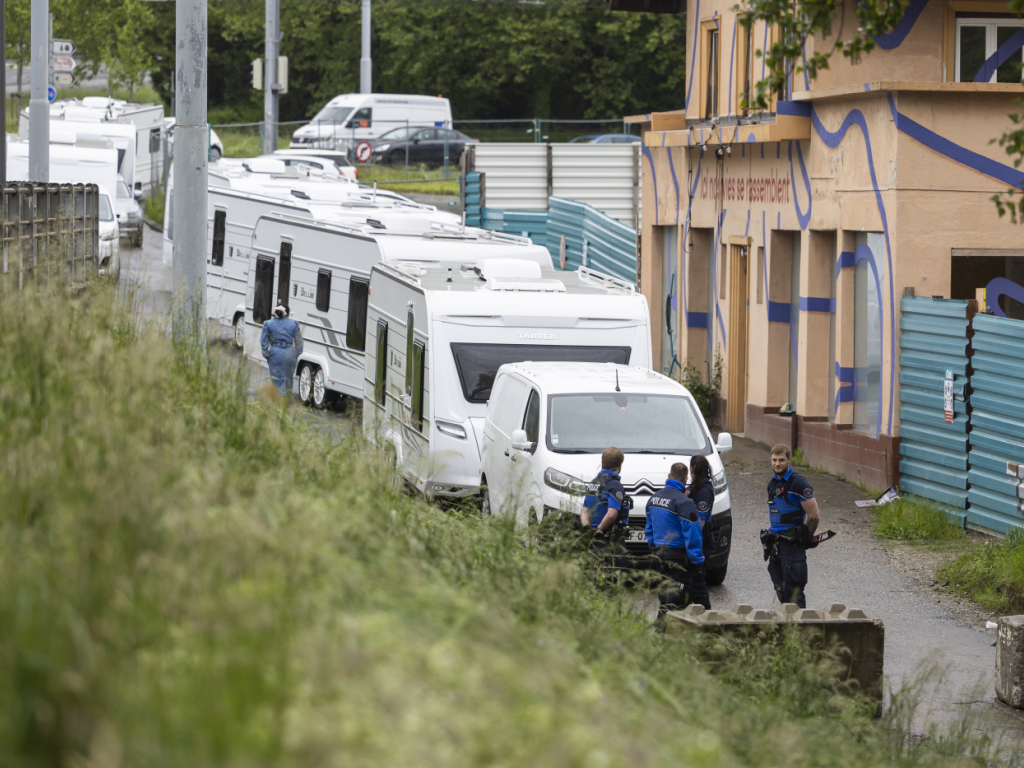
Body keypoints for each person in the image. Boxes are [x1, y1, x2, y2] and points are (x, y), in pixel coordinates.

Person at [646, 463, 711, 613]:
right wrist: (697, 561)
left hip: (659, 555)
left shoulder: (653, 499)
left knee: (665, 599)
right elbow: (693, 535)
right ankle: (661, 633)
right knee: (676, 603)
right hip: (678, 558)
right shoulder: (684, 503)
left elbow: (649, 529)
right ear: (686, 478)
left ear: (669, 476)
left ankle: (665, 634)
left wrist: (655, 549)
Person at [762, 444, 821, 609]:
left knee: (794, 594)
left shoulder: (799, 484)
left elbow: (814, 516)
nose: (777, 463)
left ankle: (799, 631)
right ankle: (787, 630)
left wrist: (806, 537)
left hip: (792, 545)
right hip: (776, 544)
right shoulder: (772, 484)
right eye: (774, 460)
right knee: (781, 592)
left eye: (781, 460)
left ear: (789, 460)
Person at [580, 447, 630, 550]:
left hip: (591, 540)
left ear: (603, 462)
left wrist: (588, 529)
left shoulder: (593, 483)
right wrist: (598, 530)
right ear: (620, 465)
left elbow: (584, 511)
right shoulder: (615, 485)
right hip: (609, 540)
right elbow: (611, 515)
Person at [260, 304, 304, 397]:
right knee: (288, 378)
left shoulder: (268, 323)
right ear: (287, 314)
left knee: (275, 378)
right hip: (290, 352)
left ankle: (277, 400)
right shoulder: (294, 323)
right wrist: (296, 353)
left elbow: (264, 340)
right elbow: (299, 342)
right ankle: (286, 399)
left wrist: (266, 353)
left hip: (275, 353)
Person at [688, 454, 716, 560]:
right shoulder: (695, 487)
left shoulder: (703, 492)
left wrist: (691, 543)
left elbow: (701, 522)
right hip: (696, 538)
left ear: (691, 469)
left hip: (700, 541)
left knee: (697, 574)